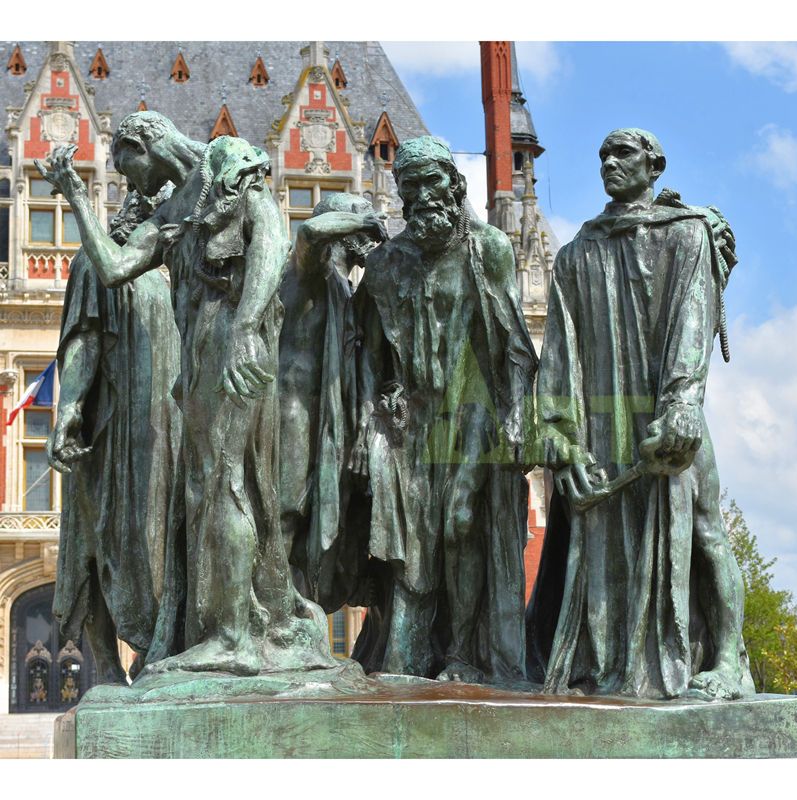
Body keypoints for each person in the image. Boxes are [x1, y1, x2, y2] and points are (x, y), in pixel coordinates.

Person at [37, 112, 335, 676]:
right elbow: (114, 265)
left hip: (231, 341)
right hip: (198, 353)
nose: (132, 185)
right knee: (205, 489)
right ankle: (232, 623)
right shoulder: (173, 212)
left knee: (225, 482)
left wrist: (248, 328)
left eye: (128, 168)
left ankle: (233, 638)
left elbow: (272, 235)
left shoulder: (228, 159)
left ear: (144, 143)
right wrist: (76, 195)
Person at [526, 128, 754, 700]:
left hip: (670, 412)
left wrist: (681, 403)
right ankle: (613, 664)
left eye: (622, 153)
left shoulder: (684, 235)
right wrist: (558, 431)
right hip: (603, 424)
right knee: (603, 546)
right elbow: (560, 347)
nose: (608, 162)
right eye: (602, 154)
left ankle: (728, 661)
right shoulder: (579, 252)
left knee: (704, 529)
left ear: (654, 165)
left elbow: (691, 322)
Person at [350, 136, 537, 683]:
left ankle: (462, 654)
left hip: (473, 414)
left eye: (433, 182)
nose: (423, 195)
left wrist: (519, 416)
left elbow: (516, 345)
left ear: (454, 187)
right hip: (409, 420)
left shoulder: (488, 248)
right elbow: (364, 349)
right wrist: (368, 416)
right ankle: (406, 658)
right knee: (411, 549)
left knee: (460, 524)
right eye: (410, 186)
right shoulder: (386, 264)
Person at [48, 188, 181, 683]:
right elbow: (83, 339)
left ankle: (159, 654)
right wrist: (70, 410)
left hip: (169, 428)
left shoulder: (176, 276)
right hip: (114, 430)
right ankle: (105, 666)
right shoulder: (96, 262)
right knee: (101, 537)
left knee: (162, 541)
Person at [279, 193, 386, 611]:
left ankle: (299, 605)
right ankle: (274, 607)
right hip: (293, 411)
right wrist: (360, 221)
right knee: (287, 509)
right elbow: (308, 232)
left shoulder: (346, 286)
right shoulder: (309, 270)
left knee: (320, 524)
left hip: (331, 420)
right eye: (360, 228)